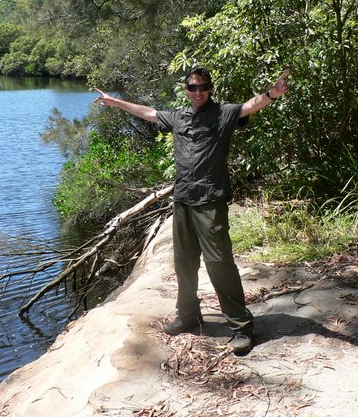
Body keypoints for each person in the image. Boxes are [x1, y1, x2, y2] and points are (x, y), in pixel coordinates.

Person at [94, 67, 289, 355]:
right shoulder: (179, 117)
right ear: (186, 89)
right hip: (183, 200)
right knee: (184, 263)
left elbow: (250, 106)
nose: (198, 92)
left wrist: (272, 94)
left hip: (210, 201)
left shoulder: (223, 113)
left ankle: (241, 326)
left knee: (219, 263)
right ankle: (188, 316)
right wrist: (114, 101)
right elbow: (149, 113)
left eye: (203, 87)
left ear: (210, 89)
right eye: (193, 87)